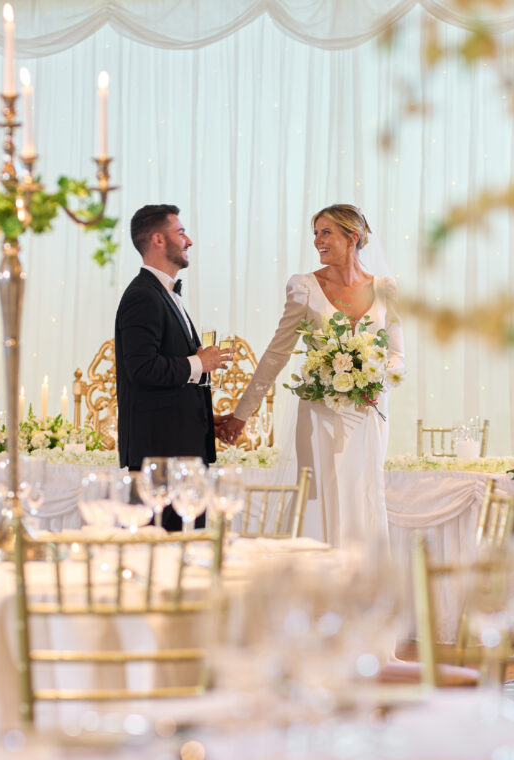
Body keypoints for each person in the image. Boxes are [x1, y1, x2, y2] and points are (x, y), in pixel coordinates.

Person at [219, 204, 404, 546]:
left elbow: (397, 357)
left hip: (368, 416)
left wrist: (376, 377)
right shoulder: (304, 287)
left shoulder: (385, 289)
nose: (317, 240)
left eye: (325, 232)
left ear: (353, 237)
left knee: (363, 497)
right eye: (315, 233)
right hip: (319, 416)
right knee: (319, 498)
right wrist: (242, 414)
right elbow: (277, 353)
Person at [114, 204, 232, 529]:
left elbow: (167, 383)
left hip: (179, 449)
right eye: (180, 232)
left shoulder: (163, 294)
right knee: (159, 555)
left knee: (182, 551)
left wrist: (204, 418)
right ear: (158, 240)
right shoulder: (142, 296)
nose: (189, 240)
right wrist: (200, 362)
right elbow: (142, 369)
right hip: (159, 457)